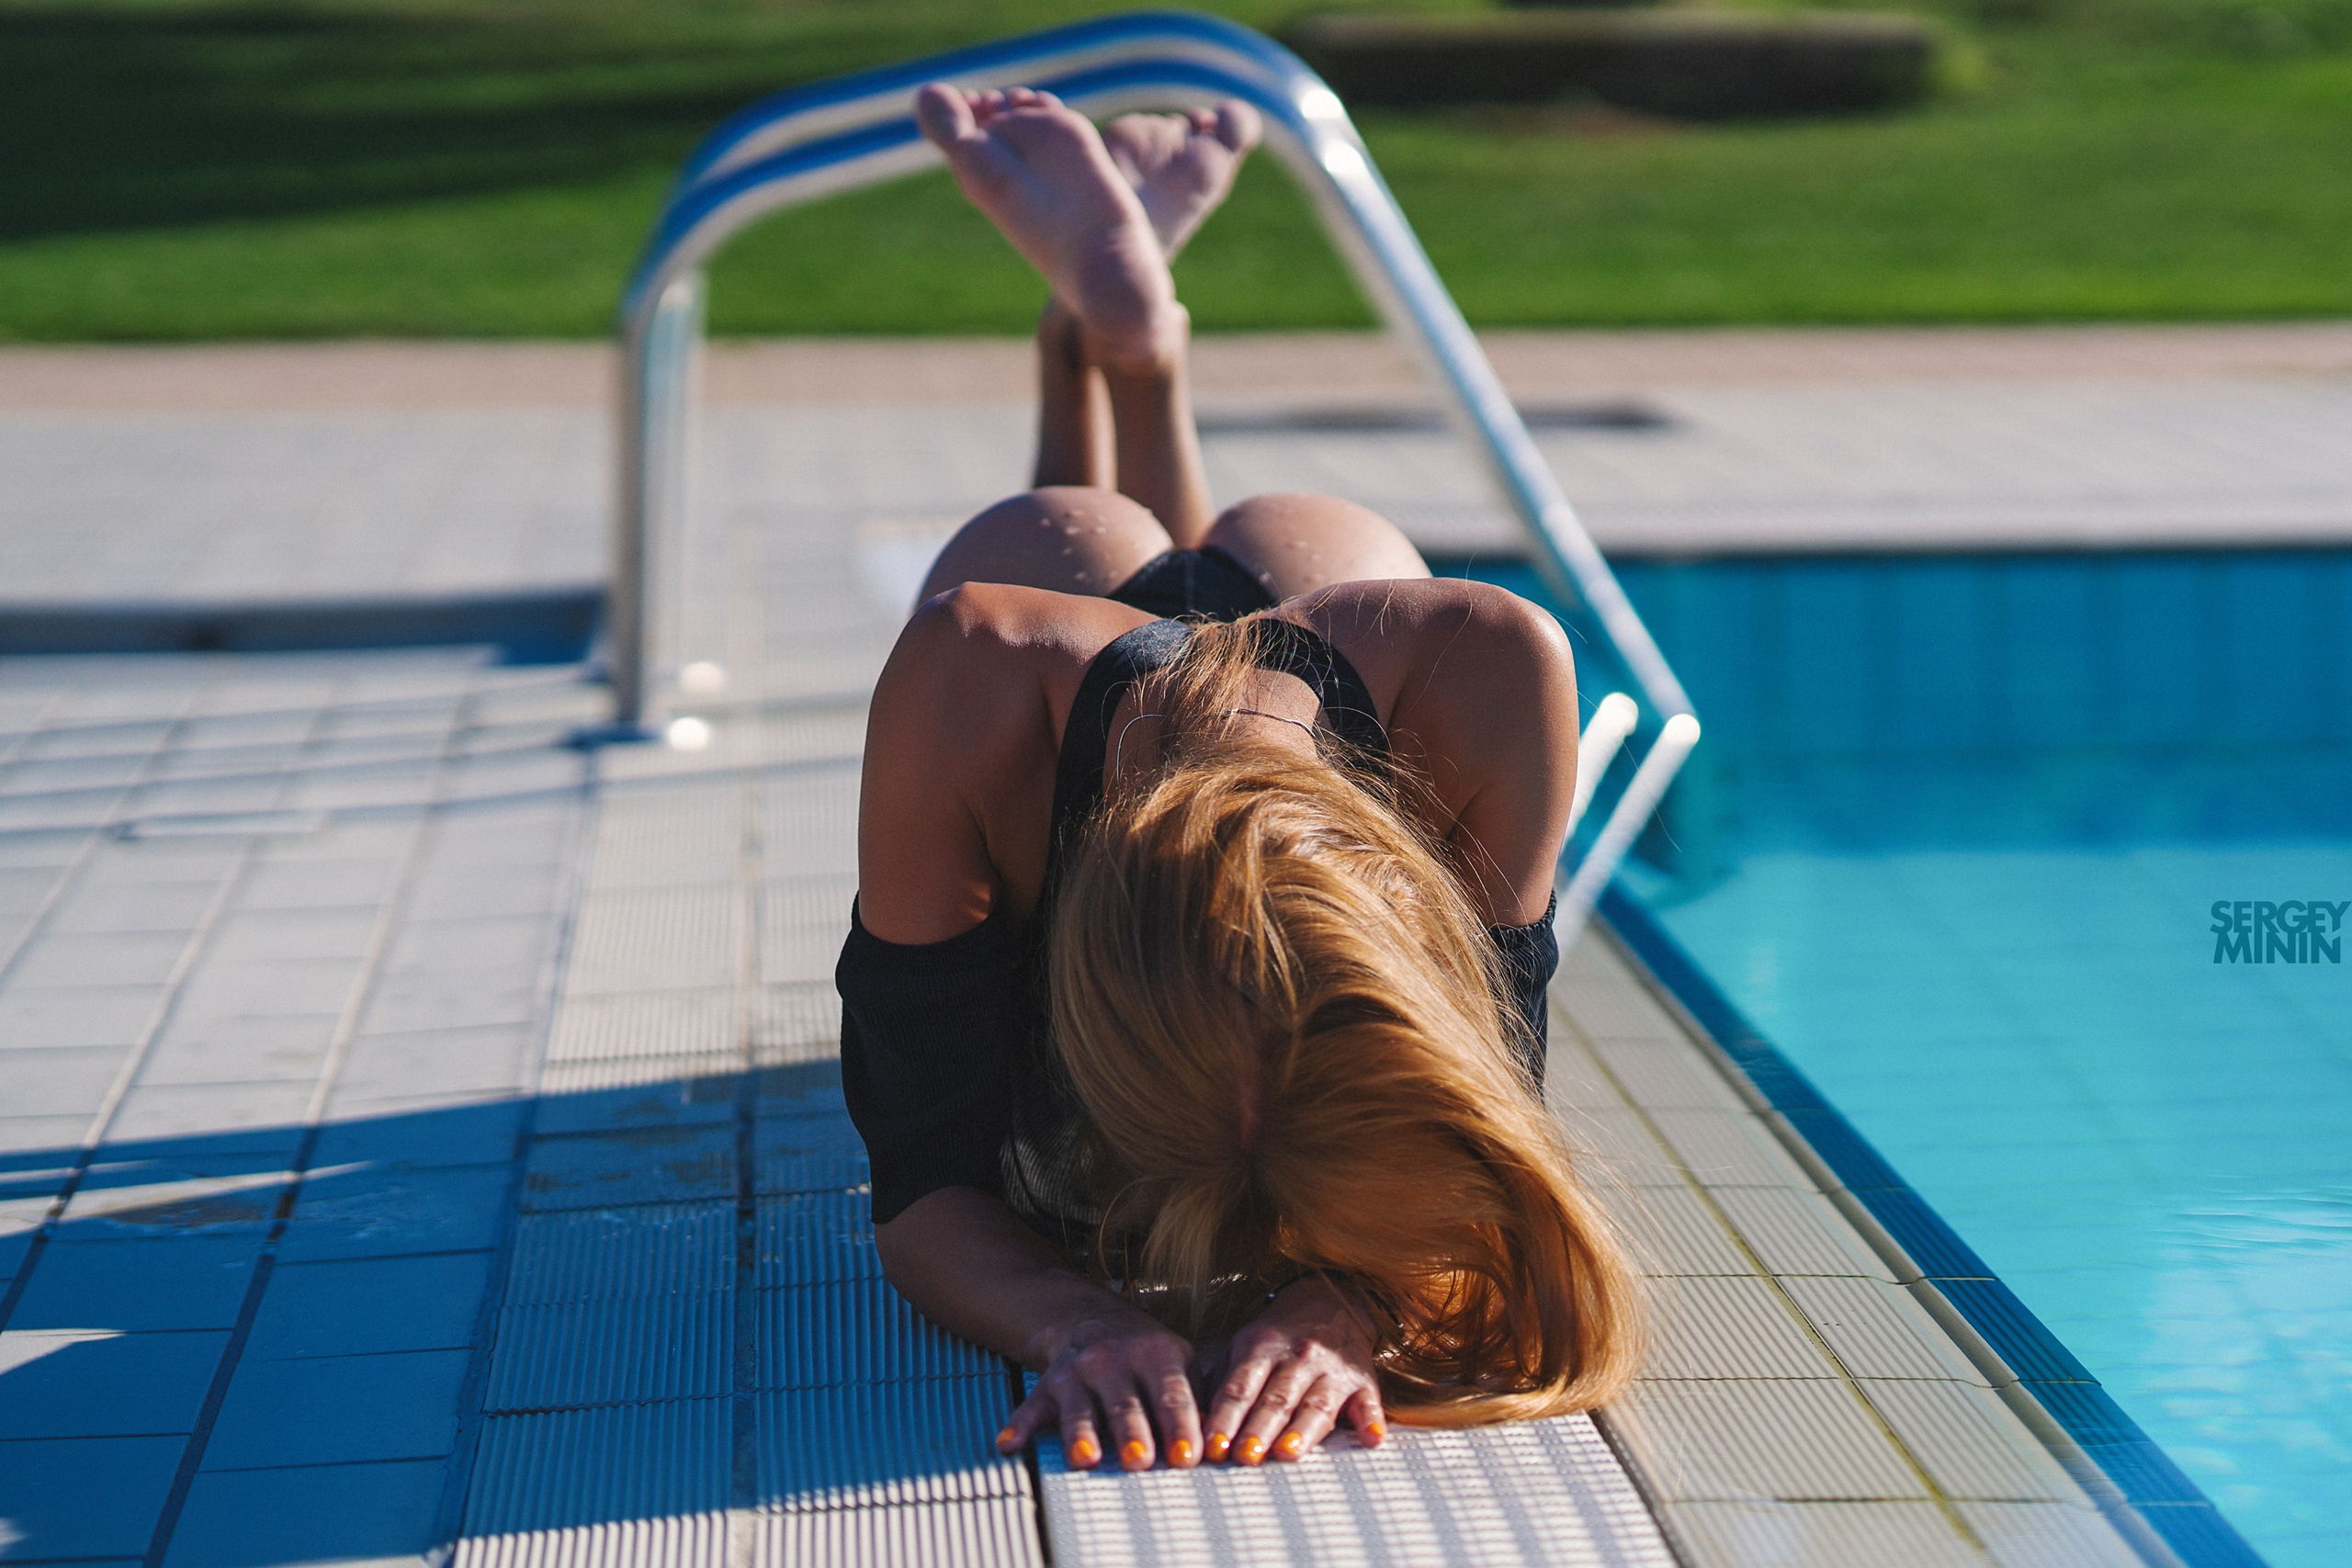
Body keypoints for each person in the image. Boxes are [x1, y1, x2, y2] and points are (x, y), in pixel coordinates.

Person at [837, 83, 1642, 1476]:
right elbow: (919, 1190)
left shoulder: (1491, 666)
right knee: (1067, 545)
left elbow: (1483, 1130)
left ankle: (1124, 346)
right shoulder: (971, 663)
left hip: (1314, 646)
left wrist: (1351, 1299)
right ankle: (1112, 348)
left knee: (1074, 551)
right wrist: (1074, 1319)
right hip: (1274, 604)